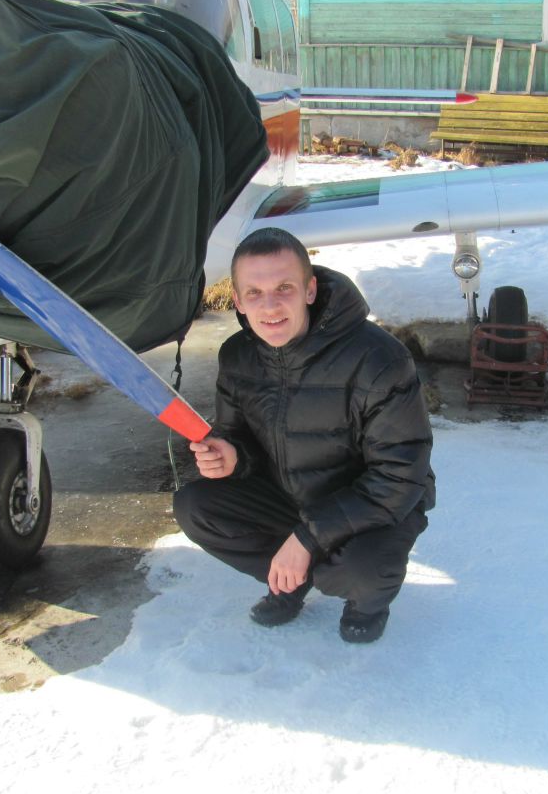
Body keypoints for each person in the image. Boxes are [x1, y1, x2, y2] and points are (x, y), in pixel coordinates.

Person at [173, 227, 435, 643]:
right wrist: (232, 456)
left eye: (284, 287)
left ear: (310, 290)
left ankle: (367, 602)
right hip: (292, 494)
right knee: (196, 506)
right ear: (237, 301)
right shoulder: (237, 356)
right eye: (254, 293)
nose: (270, 305)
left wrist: (307, 538)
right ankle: (288, 581)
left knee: (364, 571)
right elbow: (236, 434)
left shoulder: (379, 359)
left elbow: (399, 477)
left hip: (374, 508)